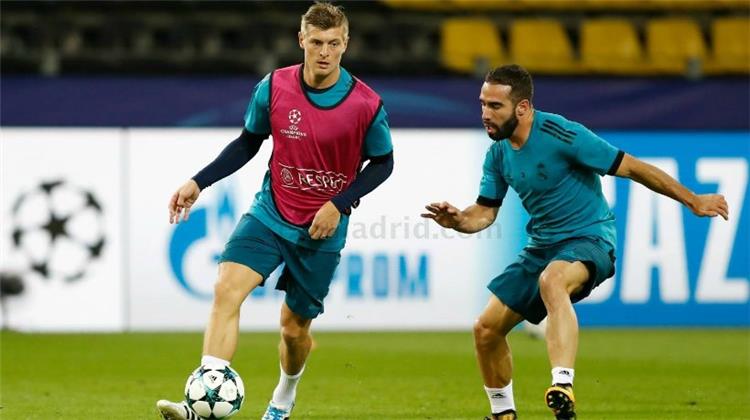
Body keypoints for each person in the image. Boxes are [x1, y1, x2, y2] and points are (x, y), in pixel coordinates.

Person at [421, 64, 728, 420]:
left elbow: (634, 167)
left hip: (590, 237)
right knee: (486, 329)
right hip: (542, 246)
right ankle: (503, 414)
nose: (485, 114)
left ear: (522, 107)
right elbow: (485, 212)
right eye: (482, 104)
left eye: (495, 106)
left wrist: (693, 200)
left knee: (552, 280)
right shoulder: (498, 154)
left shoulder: (562, 134)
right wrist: (459, 220)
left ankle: (562, 385)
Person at [156, 2, 394, 419]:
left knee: (294, 330)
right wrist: (199, 181)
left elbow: (384, 163)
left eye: (333, 43)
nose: (324, 52)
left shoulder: (365, 104)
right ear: (301, 40)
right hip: (270, 213)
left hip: (320, 230)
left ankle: (283, 399)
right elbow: (248, 142)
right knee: (226, 289)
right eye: (316, 42)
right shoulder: (274, 86)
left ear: (346, 44)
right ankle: (202, 401)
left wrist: (339, 204)